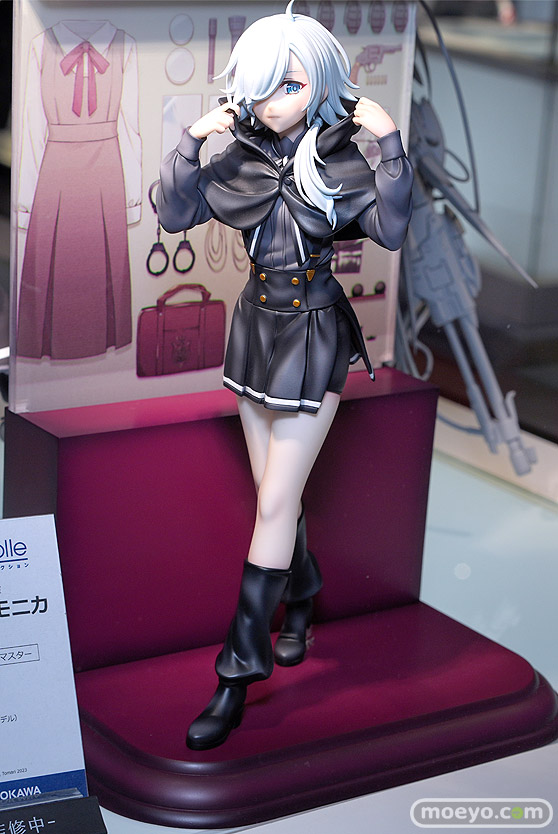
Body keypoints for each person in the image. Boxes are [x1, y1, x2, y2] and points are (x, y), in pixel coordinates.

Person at [157, 0, 413, 750]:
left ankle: (236, 676)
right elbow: (173, 214)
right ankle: (302, 596)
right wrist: (191, 140)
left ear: (322, 86)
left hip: (315, 334)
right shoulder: (238, 156)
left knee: (273, 503)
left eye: (292, 85)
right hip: (254, 330)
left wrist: (389, 143)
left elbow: (392, 229)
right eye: (263, 85)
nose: (274, 101)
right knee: (279, 495)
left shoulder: (341, 160)